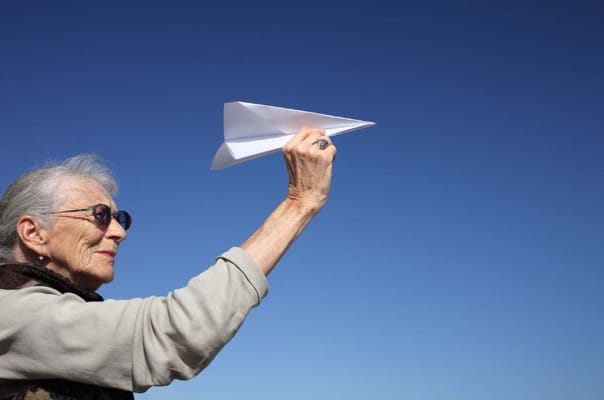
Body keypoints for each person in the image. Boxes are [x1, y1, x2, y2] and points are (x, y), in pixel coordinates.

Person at [0, 128, 336, 400]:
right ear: (34, 233)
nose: (119, 233)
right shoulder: (9, 312)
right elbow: (171, 334)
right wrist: (300, 202)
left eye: (121, 218)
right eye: (100, 216)